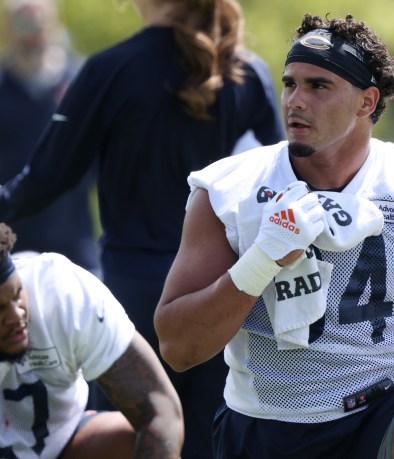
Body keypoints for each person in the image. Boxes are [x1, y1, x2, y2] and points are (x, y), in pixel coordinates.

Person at [154, 14, 394, 458]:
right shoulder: (230, 189)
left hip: (382, 412)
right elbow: (178, 347)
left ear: (366, 102)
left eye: (318, 86)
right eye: (290, 83)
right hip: (266, 427)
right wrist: (261, 260)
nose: (296, 100)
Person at [0, 0, 284, 457]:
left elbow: (47, 178)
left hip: (135, 299)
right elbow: (278, 188)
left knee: (148, 437)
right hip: (223, 297)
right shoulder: (246, 72)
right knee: (213, 443)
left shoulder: (110, 69)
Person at [0, 222, 183, 458]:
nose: (16, 315)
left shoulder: (60, 292)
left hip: (61, 443)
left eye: (17, 294)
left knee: (127, 439)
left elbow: (159, 410)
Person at [0, 0, 100, 276]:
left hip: (75, 236)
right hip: (11, 237)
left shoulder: (81, 80)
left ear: (55, 24)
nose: (31, 33)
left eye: (38, 21)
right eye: (23, 23)